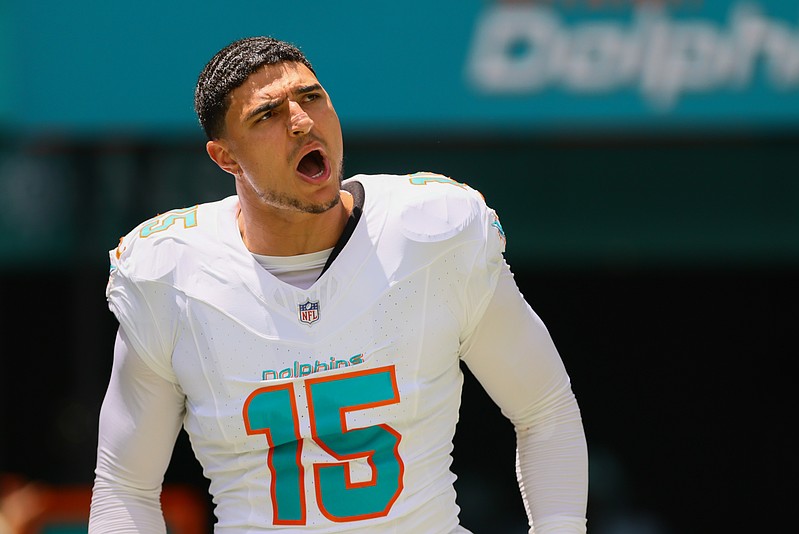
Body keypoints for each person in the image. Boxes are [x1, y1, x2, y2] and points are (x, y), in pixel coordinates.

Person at [88, 36, 588, 533]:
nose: (302, 122)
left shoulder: (433, 232)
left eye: (311, 97)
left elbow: (544, 409)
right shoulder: (170, 275)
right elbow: (124, 486)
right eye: (267, 115)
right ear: (226, 158)